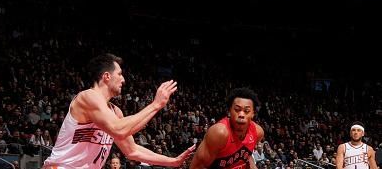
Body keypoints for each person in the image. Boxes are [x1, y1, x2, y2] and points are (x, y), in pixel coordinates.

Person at [43, 53, 195, 169]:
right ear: (107, 76)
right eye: (120, 74)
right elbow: (118, 130)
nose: (123, 80)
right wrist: (155, 104)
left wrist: (173, 161)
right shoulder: (88, 96)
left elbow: (132, 150)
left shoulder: (115, 112)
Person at [190, 87, 264, 169]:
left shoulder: (258, 132)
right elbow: (196, 166)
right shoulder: (219, 133)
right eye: (237, 109)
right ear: (229, 111)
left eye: (246, 111)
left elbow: (247, 155)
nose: (241, 114)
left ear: (253, 114)